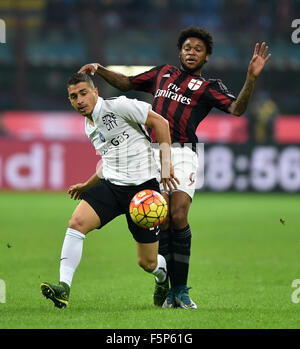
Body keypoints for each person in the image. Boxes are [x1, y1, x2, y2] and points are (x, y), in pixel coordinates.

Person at [78, 26, 271, 310]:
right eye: (187, 48)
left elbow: (237, 109)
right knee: (163, 219)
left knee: (178, 214)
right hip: (149, 153)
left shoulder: (208, 87)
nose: (191, 53)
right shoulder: (162, 73)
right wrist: (100, 69)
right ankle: (166, 287)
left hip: (183, 154)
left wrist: (250, 79)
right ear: (180, 51)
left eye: (198, 50)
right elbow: (127, 82)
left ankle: (181, 290)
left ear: (207, 57)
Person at [40, 72, 179, 309]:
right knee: (76, 224)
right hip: (112, 188)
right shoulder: (89, 126)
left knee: (147, 262)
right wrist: (88, 184)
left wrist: (166, 164)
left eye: (84, 93)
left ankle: (162, 276)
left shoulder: (121, 106)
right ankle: (64, 287)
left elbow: (161, 123)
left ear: (95, 93)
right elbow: (110, 161)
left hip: (143, 192)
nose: (79, 100)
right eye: (73, 97)